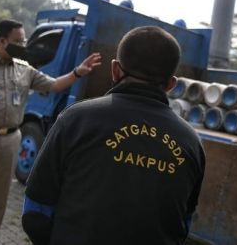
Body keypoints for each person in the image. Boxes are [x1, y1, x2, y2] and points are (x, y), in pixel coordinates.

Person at [22, 26, 206, 245]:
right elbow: (183, 223)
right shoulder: (191, 142)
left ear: (115, 70)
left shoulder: (77, 119)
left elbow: (35, 210)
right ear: (170, 84)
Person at [0, 19, 102, 245]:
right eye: (18, 40)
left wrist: (77, 72)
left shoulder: (25, 70)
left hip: (10, 140)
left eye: (24, 39)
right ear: (2, 40)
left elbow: (54, 84)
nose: (23, 44)